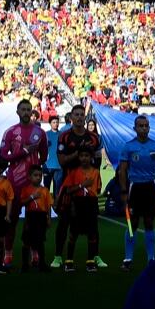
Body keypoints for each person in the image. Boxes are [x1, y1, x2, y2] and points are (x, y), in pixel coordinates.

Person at [0, 98, 47, 269]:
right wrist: (24, 152)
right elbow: (3, 156)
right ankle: (8, 254)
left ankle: (34, 253)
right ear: (18, 112)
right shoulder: (10, 132)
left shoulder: (40, 133)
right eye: (23, 109)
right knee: (11, 220)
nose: (26, 112)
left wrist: (35, 170)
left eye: (28, 109)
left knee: (34, 221)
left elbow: (44, 156)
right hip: (14, 182)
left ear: (32, 112)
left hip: (32, 183)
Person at [53, 104, 103, 267]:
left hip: (88, 185)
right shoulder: (65, 137)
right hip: (69, 183)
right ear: (71, 117)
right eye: (77, 114)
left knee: (92, 222)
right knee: (65, 221)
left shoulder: (94, 138)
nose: (80, 117)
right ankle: (58, 256)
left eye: (82, 114)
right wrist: (78, 152)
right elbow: (62, 161)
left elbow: (97, 160)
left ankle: (95, 256)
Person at [116, 115, 155, 270]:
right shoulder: (128, 147)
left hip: (150, 188)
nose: (144, 128)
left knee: (149, 222)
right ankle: (128, 258)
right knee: (133, 223)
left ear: (149, 127)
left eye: (146, 125)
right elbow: (122, 171)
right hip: (134, 188)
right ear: (135, 128)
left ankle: (151, 258)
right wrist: (124, 190)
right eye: (141, 126)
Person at [60, 151, 102, 273]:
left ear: (91, 157)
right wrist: (82, 185)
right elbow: (68, 190)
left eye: (87, 155)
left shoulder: (96, 172)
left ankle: (90, 262)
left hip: (91, 203)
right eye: (82, 156)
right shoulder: (73, 172)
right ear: (79, 158)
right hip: (77, 203)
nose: (84, 158)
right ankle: (69, 261)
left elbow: (98, 190)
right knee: (73, 233)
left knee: (92, 233)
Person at [18, 165, 53, 272]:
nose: (38, 177)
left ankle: (42, 264)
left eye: (40, 175)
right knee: (26, 241)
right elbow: (22, 202)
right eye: (35, 175)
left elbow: (48, 206)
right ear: (29, 177)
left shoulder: (45, 190)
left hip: (41, 217)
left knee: (40, 240)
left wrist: (49, 218)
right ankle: (25, 265)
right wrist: (32, 197)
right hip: (30, 216)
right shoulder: (26, 189)